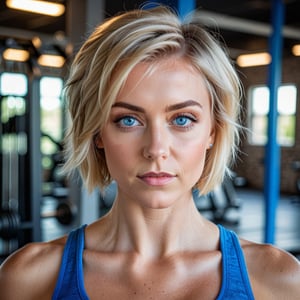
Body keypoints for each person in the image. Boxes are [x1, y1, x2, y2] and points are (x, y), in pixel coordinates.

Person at [0, 5, 299, 300]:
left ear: (212, 131)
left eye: (182, 119)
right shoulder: (28, 278)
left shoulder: (278, 279)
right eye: (128, 120)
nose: (156, 149)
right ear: (97, 132)